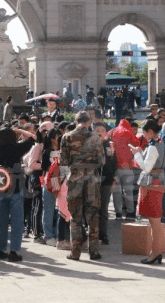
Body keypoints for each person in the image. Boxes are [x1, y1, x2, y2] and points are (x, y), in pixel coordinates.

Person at [60, 111, 104, 261]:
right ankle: (94, 251)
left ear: (75, 121)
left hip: (74, 179)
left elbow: (63, 161)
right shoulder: (95, 138)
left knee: (75, 217)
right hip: (92, 179)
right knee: (93, 216)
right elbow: (101, 161)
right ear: (89, 122)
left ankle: (75, 252)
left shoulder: (67, 137)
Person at [0, 125, 36, 262]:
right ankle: (14, 251)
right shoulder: (17, 149)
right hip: (16, 188)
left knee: (0, 221)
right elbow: (33, 138)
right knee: (17, 222)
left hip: (1, 188)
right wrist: (20, 131)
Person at [130, 119, 165, 265]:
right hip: (158, 181)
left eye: (144, 133)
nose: (143, 136)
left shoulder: (153, 146)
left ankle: (155, 252)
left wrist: (136, 154)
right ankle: (156, 252)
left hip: (152, 183)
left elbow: (146, 167)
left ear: (150, 132)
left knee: (154, 220)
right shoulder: (160, 142)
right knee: (155, 220)